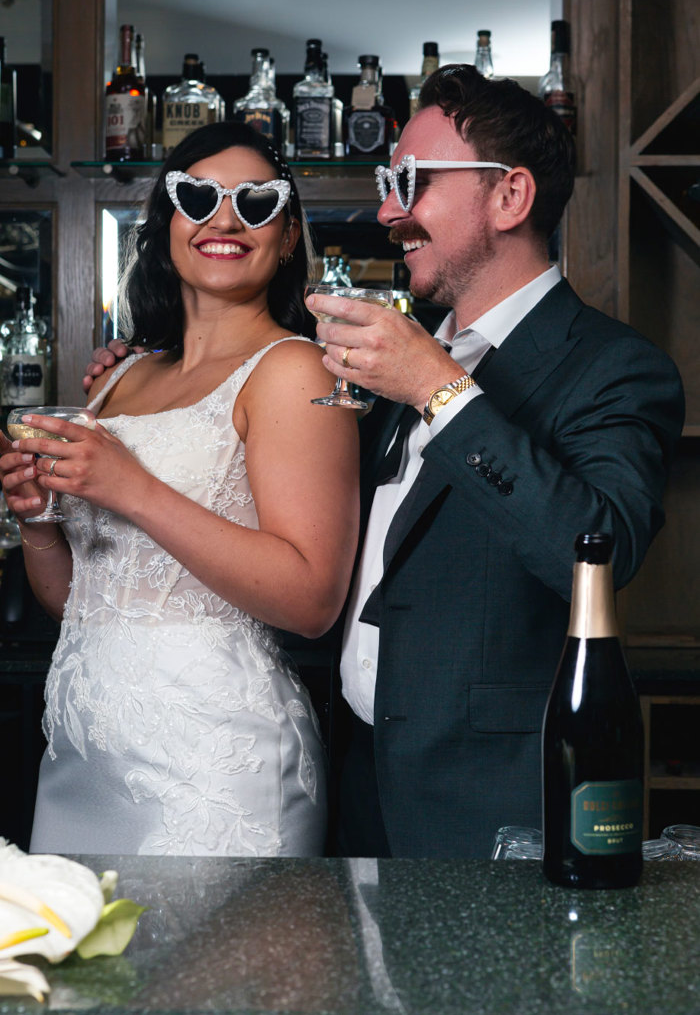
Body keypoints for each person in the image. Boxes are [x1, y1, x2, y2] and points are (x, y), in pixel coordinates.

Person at [84, 67, 686, 859]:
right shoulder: (398, 361)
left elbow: (596, 551)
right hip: (356, 781)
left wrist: (441, 391)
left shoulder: (611, 368)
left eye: (410, 182)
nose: (386, 211)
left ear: (510, 197)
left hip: (496, 804)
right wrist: (147, 386)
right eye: (384, 183)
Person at [0, 121, 359, 857]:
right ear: (167, 224)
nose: (224, 219)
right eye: (198, 197)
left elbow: (312, 598)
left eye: (255, 204)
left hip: (214, 758)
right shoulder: (125, 377)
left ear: (287, 236)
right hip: (83, 752)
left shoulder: (297, 371)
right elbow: (83, 599)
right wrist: (38, 523)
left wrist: (132, 488)